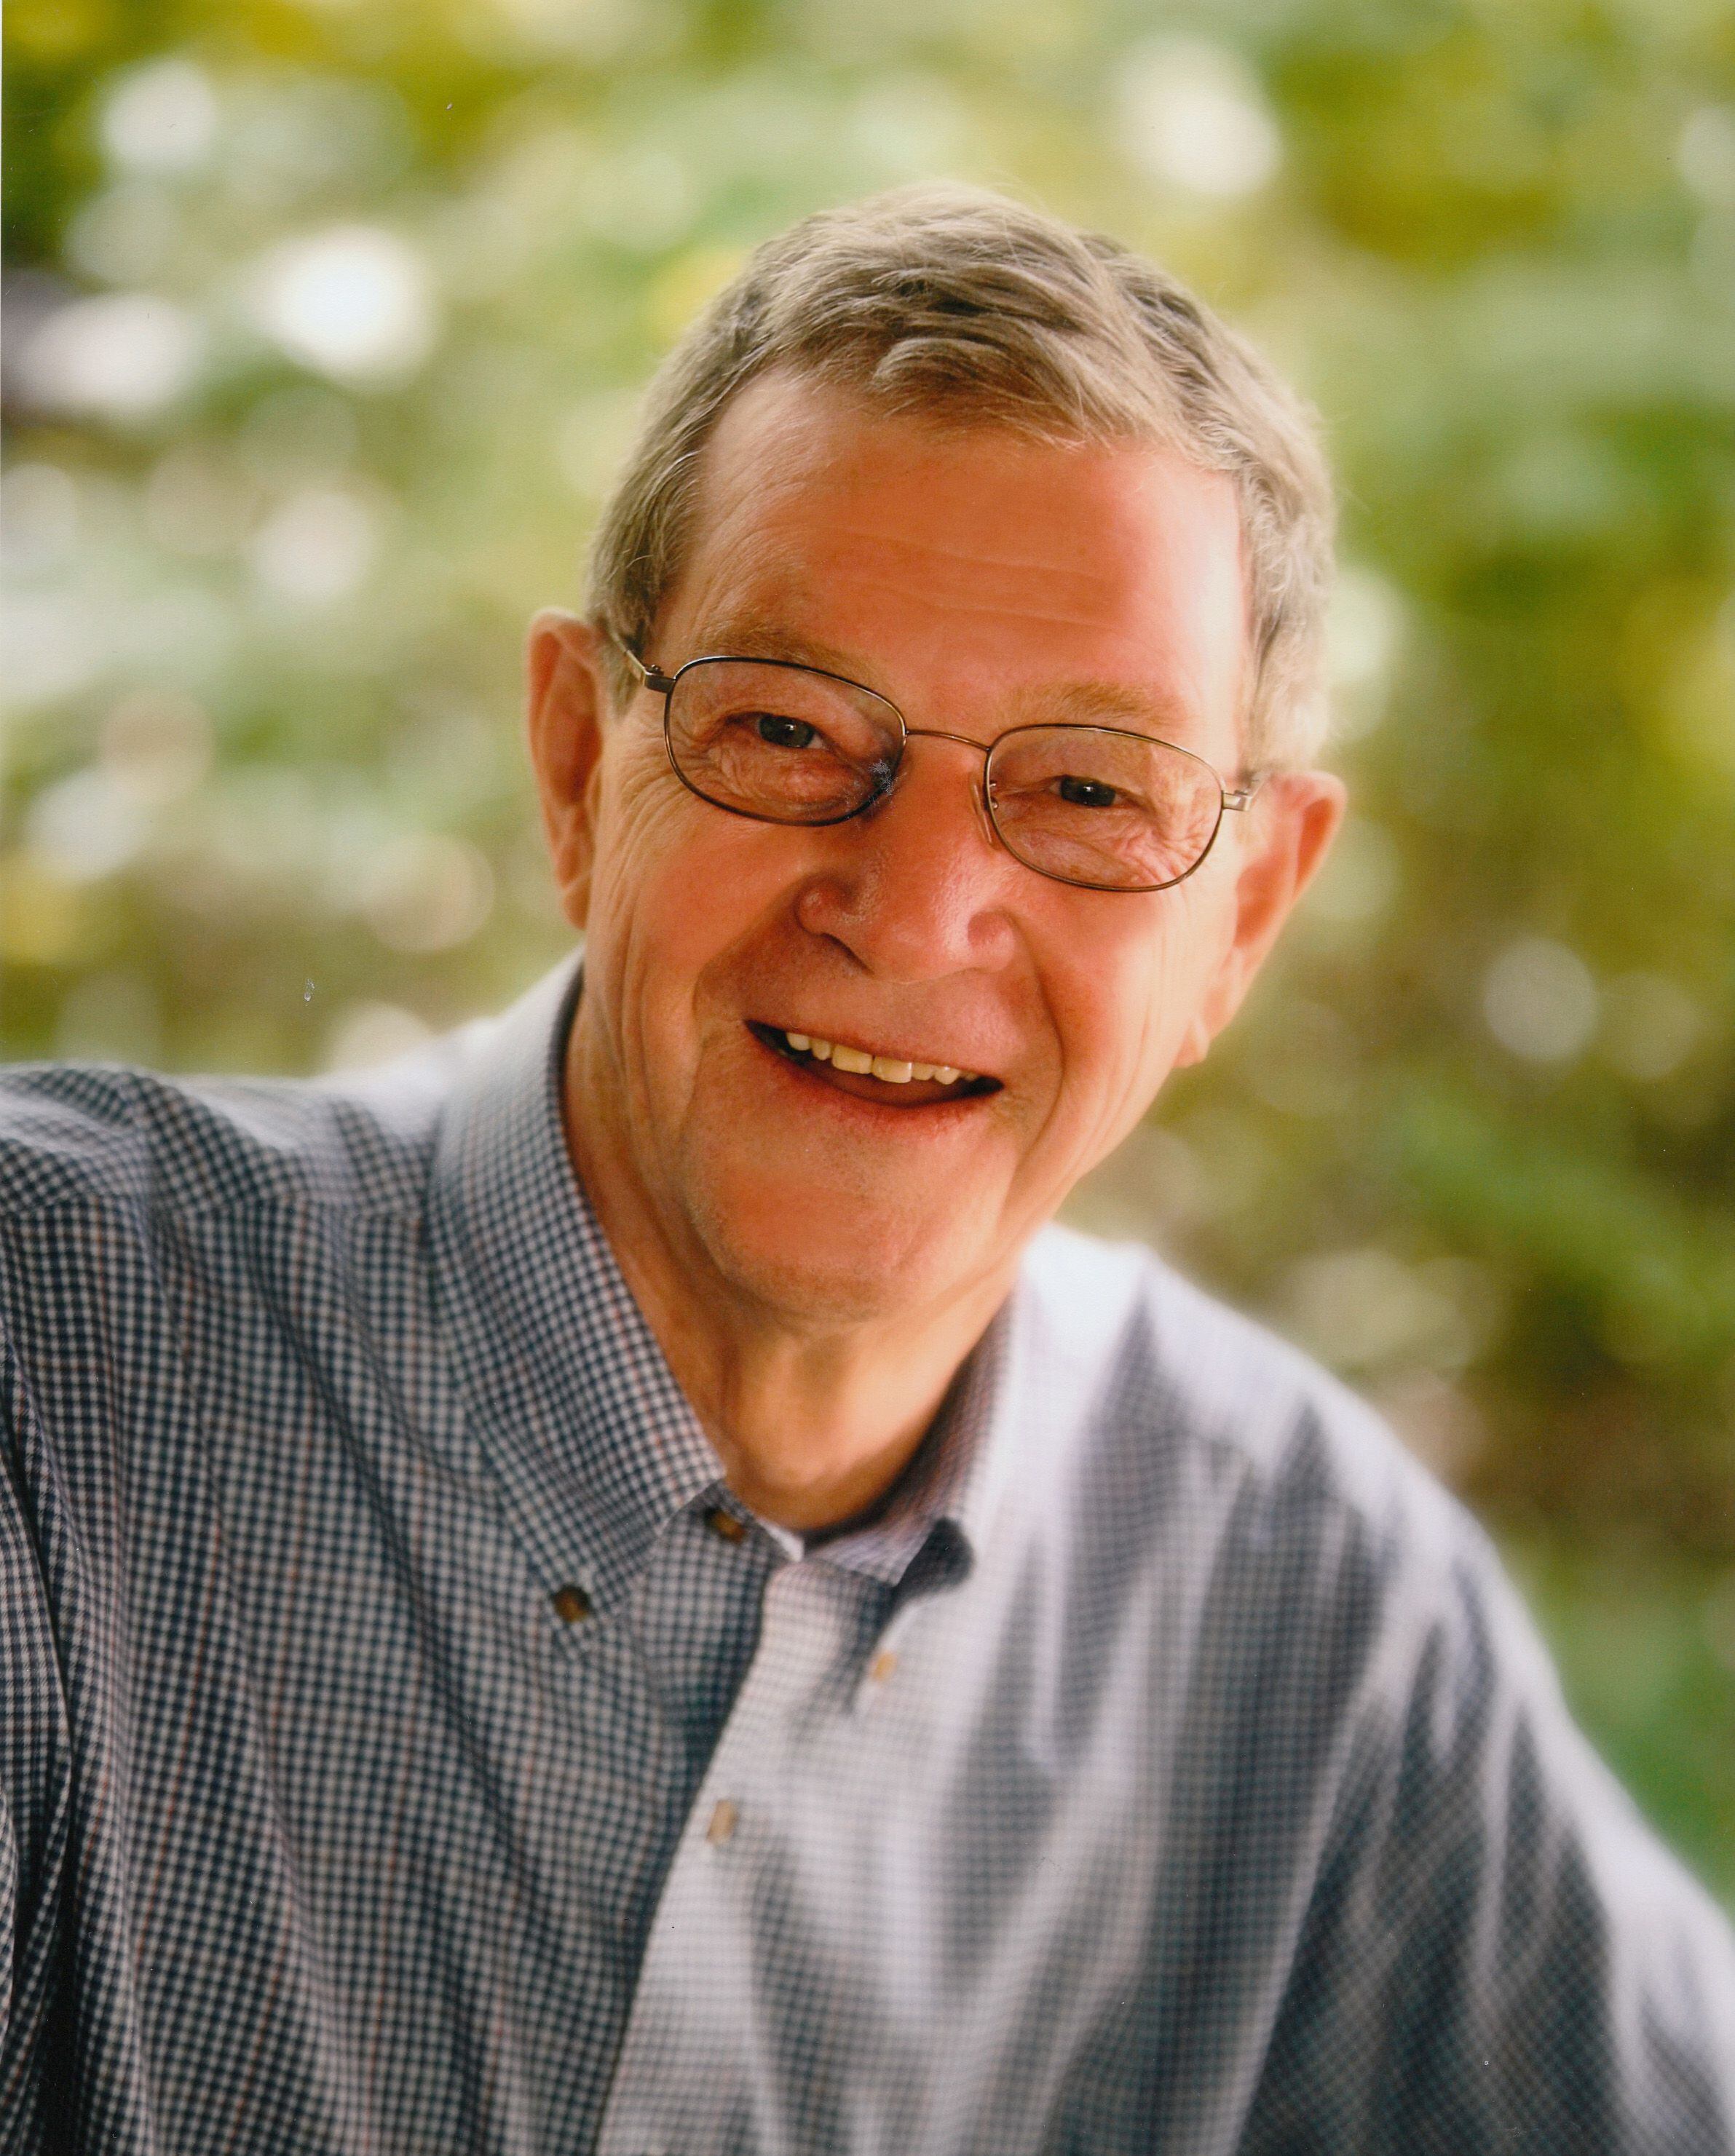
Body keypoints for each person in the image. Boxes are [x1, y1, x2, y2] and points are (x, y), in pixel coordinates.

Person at [1, 185, 1731, 2155]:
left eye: (1089, 787)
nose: (911, 915)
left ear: (1245, 915)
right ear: (576, 769)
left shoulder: (1319, 1604)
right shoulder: (46, 1370)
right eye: (789, 729)